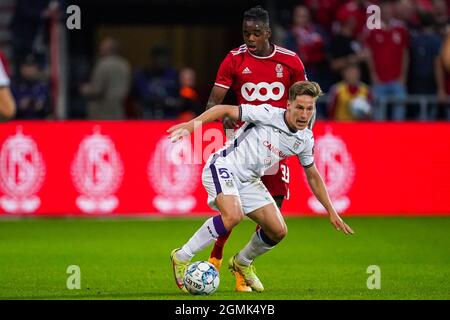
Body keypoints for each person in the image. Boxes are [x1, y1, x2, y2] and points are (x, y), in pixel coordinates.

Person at [169, 81, 354, 293]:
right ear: (289, 105)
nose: (304, 114)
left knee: (278, 231)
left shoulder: (305, 139)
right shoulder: (267, 113)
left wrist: (331, 211)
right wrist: (191, 126)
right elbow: (222, 109)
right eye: (300, 108)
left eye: (309, 108)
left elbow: (313, 175)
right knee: (233, 216)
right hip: (224, 166)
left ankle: (242, 262)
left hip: (249, 181)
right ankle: (181, 257)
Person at [204, 5, 309, 292]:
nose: (250, 38)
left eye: (256, 33)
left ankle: (244, 263)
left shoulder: (290, 61)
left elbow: (306, 102)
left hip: (276, 148)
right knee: (234, 208)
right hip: (244, 145)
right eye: (246, 33)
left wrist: (300, 137)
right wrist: (227, 135)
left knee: (273, 211)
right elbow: (214, 104)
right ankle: (214, 259)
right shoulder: (234, 60)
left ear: (268, 33)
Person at [80, 36, 131, 120]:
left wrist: (85, 89)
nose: (100, 49)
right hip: (119, 111)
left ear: (109, 49)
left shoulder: (103, 64)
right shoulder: (125, 64)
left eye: (102, 47)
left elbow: (97, 90)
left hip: (102, 113)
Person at [11, 55, 51, 119]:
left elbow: (49, 110)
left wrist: (40, 106)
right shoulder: (15, 87)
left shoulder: (43, 87)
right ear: (22, 69)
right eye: (27, 67)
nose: (29, 70)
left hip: (39, 124)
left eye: (32, 67)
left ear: (37, 68)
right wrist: (19, 106)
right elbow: (8, 110)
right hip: (20, 124)